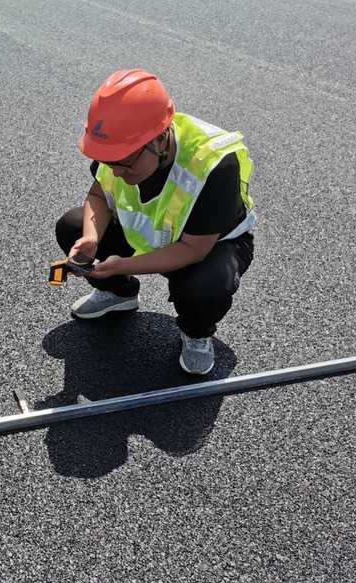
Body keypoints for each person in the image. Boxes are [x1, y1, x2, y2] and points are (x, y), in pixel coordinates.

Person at [56, 69, 256, 375]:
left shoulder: (214, 163)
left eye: (124, 163)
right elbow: (98, 195)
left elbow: (192, 250)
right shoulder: (120, 145)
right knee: (72, 225)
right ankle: (117, 294)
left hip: (209, 246)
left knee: (204, 286)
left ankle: (196, 332)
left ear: (160, 140)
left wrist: (121, 264)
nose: (116, 171)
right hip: (156, 232)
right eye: (110, 162)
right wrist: (91, 238)